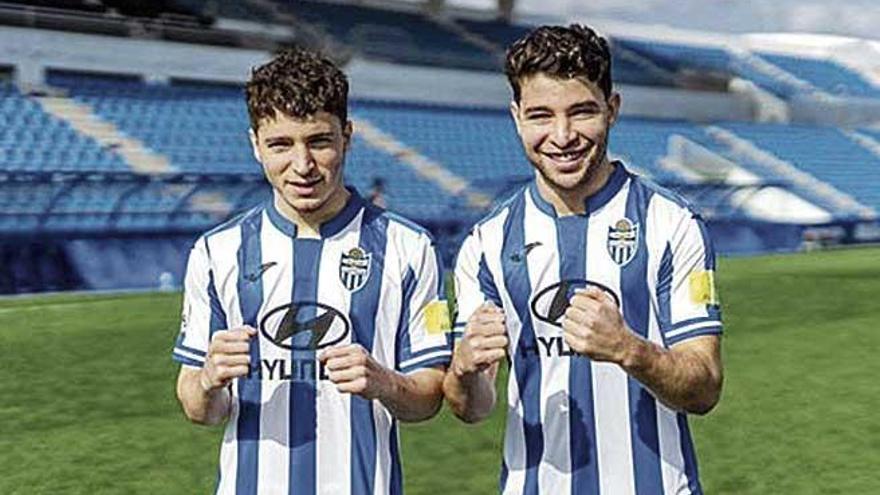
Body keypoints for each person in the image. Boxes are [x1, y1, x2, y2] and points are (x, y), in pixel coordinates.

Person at [443, 25, 724, 494]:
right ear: (516, 117)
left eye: (581, 112)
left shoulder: (671, 223)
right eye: (540, 115)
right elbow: (470, 407)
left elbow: (705, 388)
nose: (562, 135)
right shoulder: (486, 242)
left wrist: (628, 349)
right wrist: (464, 369)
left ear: (611, 110)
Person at [172, 47, 451, 494]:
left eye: (318, 142)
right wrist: (207, 380)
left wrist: (386, 384)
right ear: (255, 144)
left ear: (347, 136)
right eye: (281, 145)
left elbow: (430, 395)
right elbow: (198, 406)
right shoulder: (216, 252)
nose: (302, 166)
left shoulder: (411, 248)